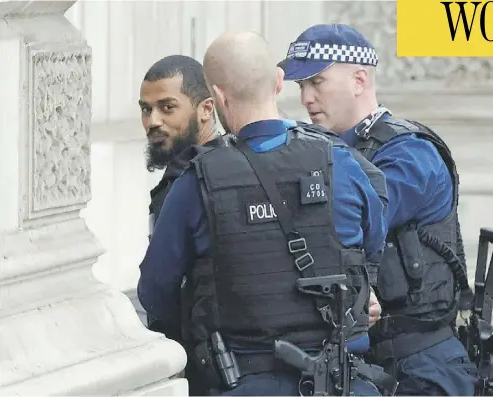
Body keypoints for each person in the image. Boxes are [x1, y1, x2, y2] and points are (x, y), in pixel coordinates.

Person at [138, 30, 396, 396]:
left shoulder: (197, 184)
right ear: (278, 82)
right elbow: (371, 247)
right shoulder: (342, 163)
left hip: (245, 382)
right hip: (342, 383)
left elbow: (155, 294)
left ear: (218, 96)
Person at [278, 23, 478, 396]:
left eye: (316, 82)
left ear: (358, 80)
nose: (306, 98)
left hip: (421, 363)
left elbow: (351, 220)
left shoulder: (409, 152)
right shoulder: (323, 153)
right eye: (300, 86)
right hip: (362, 363)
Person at [139, 55, 228, 238]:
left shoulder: (203, 181)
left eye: (167, 108)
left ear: (206, 109)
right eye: (146, 110)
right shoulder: (181, 175)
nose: (152, 121)